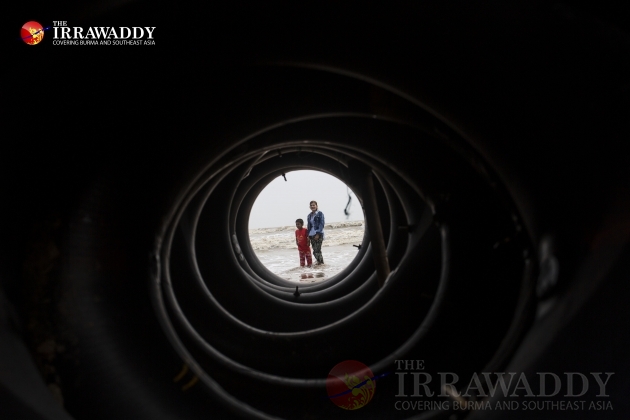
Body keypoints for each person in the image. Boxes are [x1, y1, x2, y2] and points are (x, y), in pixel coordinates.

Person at [307, 200, 325, 265]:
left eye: (314, 205)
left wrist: (318, 233)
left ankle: (321, 263)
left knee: (317, 250)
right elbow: (309, 226)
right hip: (311, 234)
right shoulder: (309, 215)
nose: (312, 206)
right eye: (311, 205)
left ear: (316, 206)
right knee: (315, 251)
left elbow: (321, 224)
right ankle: (319, 263)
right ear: (310, 207)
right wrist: (308, 236)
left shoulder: (320, 214)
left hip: (318, 234)